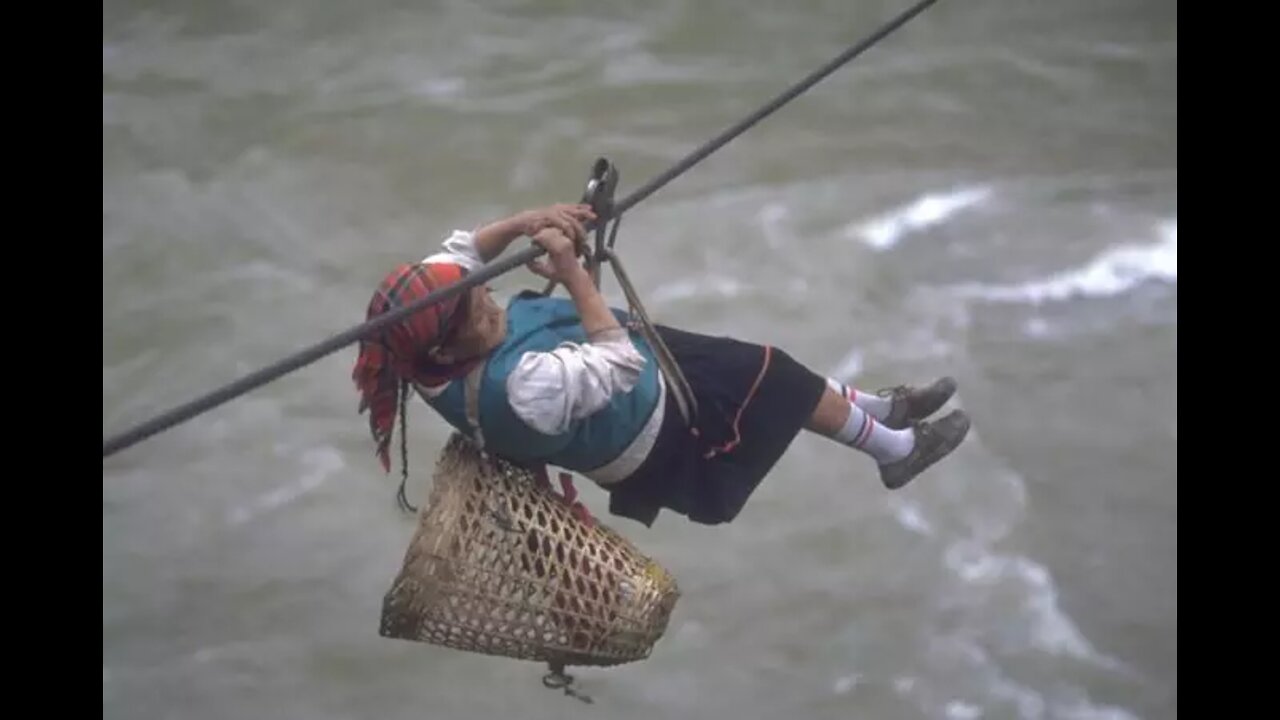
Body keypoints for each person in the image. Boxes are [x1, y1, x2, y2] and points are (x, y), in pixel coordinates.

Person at [352, 203, 971, 527]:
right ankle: (895, 451)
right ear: (444, 349)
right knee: (777, 381)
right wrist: (572, 275)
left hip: (623, 366)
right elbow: (616, 363)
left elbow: (461, 254)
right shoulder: (520, 390)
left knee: (770, 369)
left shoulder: (423, 339)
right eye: (477, 306)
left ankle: (884, 414)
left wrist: (526, 222)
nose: (487, 294)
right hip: (651, 426)